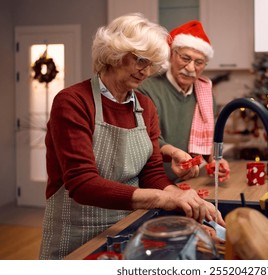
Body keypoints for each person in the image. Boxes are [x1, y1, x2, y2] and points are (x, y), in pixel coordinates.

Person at [39, 13, 224, 260]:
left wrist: (180, 196)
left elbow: (152, 174)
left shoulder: (144, 106)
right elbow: (82, 185)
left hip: (129, 227)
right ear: (114, 54)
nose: (146, 71)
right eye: (140, 60)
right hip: (77, 235)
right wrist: (164, 198)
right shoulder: (72, 102)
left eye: (151, 64)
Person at [137, 20, 230, 183]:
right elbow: (146, 139)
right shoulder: (147, 89)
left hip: (188, 181)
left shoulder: (206, 95)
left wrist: (214, 160)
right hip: (152, 183)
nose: (191, 68)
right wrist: (173, 153)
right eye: (185, 58)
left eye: (199, 62)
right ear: (171, 55)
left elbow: (206, 138)